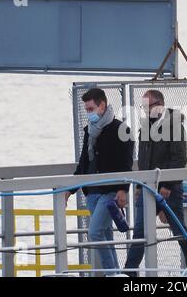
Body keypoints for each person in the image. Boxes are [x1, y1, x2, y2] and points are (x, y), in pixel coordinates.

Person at [124, 89, 187, 276]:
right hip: (148, 187)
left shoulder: (174, 125)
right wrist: (140, 186)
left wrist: (168, 184)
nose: (145, 110)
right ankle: (129, 273)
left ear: (160, 104)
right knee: (140, 232)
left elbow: (179, 158)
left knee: (179, 230)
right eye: (143, 107)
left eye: (148, 106)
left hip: (169, 189)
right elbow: (143, 160)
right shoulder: (147, 126)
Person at [65, 88, 134, 274]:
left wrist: (123, 189)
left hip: (110, 191)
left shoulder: (122, 129)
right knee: (104, 234)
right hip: (92, 193)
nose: (89, 113)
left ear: (102, 105)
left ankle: (111, 273)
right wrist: (70, 190)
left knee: (95, 232)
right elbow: (83, 164)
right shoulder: (89, 131)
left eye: (90, 109)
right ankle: (116, 273)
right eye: (87, 109)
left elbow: (126, 164)